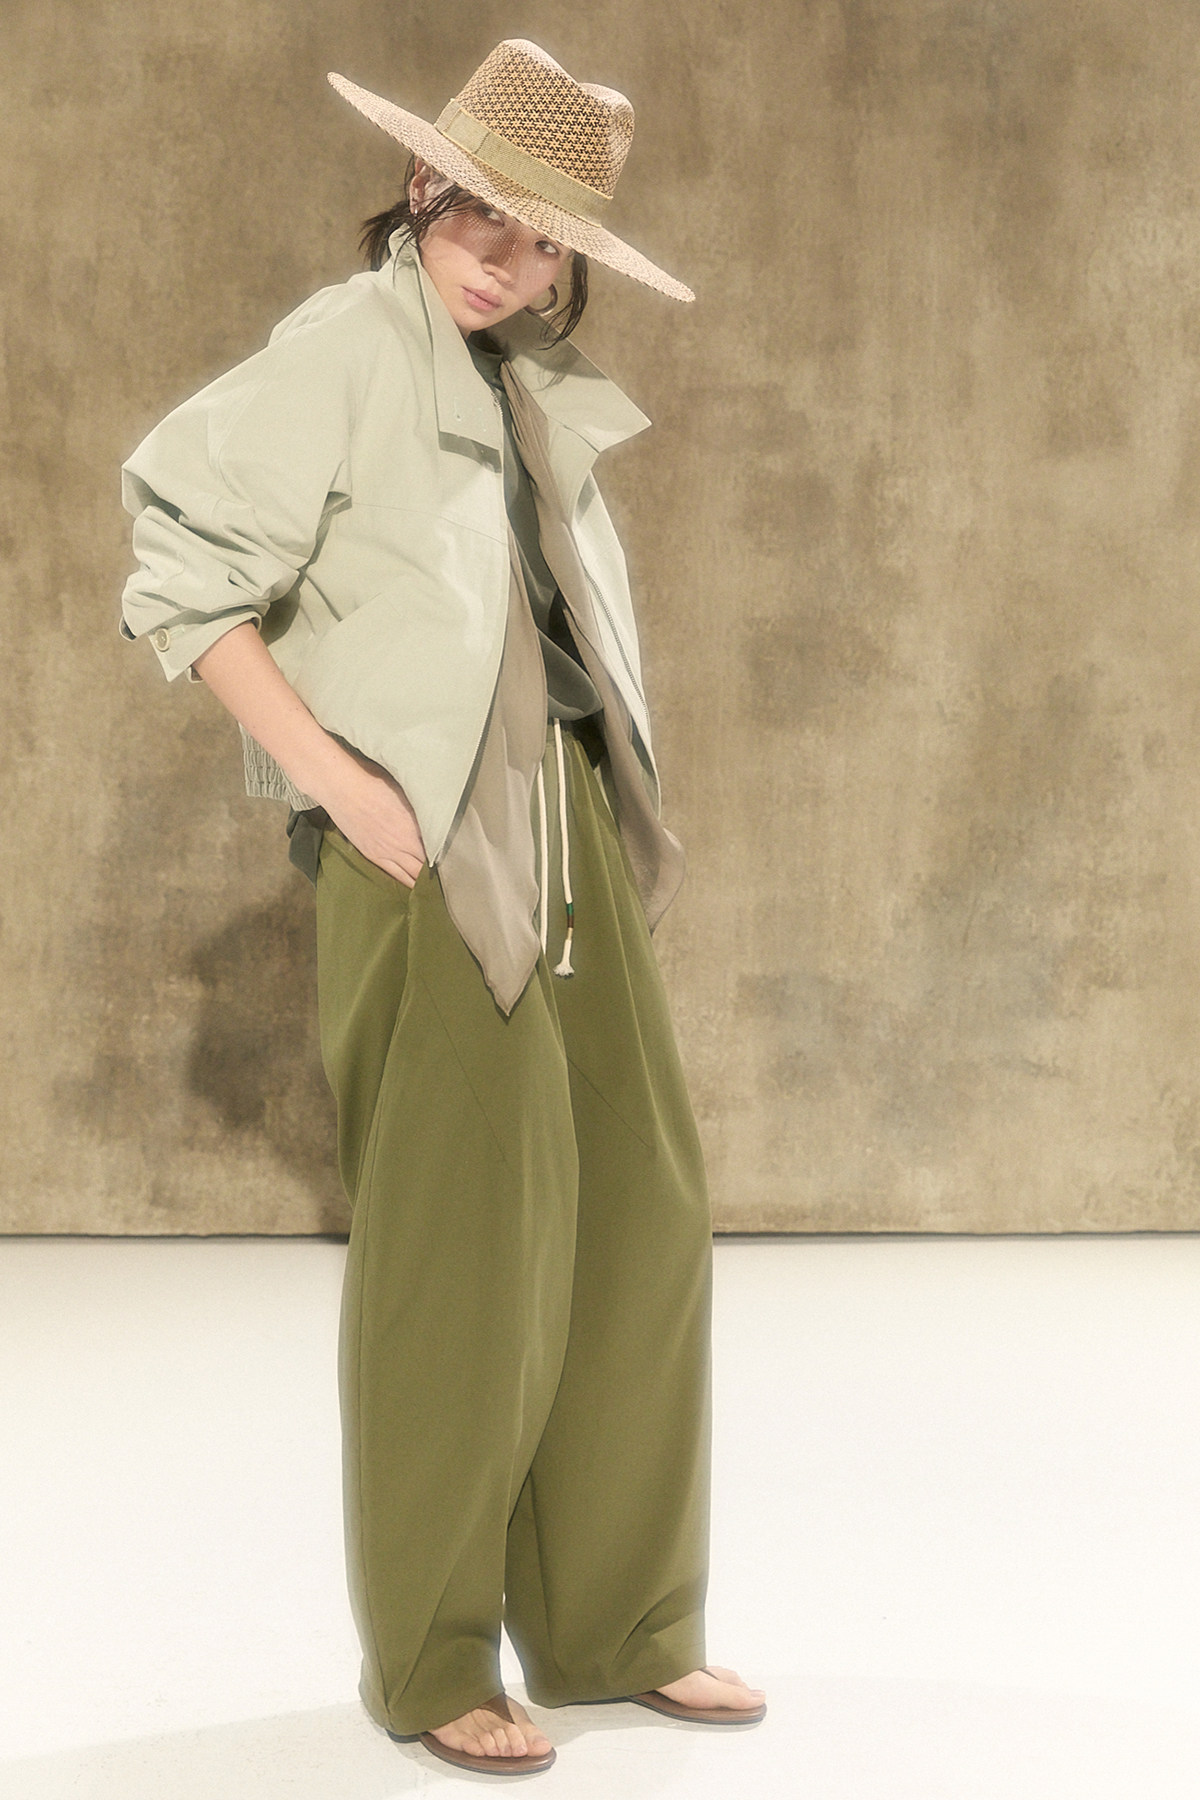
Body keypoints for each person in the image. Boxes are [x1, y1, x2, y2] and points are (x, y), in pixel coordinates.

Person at [119, 38, 766, 1779]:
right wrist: (340, 787)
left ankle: (621, 1625)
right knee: (462, 1246)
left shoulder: (517, 372)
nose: (504, 258)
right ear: (423, 188)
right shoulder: (347, 345)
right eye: (483, 215)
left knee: (635, 1214)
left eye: (543, 240)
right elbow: (179, 572)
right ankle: (432, 1657)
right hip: (426, 841)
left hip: (561, 820)